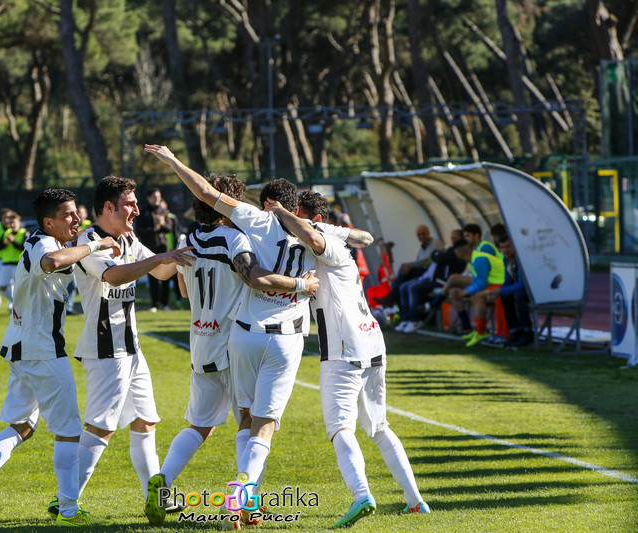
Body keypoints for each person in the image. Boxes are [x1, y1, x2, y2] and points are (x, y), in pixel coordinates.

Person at [144, 144, 368, 530]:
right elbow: (359, 239)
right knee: (258, 423)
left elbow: (204, 205)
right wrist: (303, 280)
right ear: (293, 206)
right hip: (272, 338)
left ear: (262, 203)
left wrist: (174, 162)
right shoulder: (294, 232)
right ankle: (243, 496)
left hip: (223, 337)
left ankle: (188, 488)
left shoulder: (208, 236)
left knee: (221, 422)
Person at [0, 188, 119, 528]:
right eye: (68, 215)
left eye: (76, 212)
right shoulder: (42, 243)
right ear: (48, 222)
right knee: (70, 431)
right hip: (43, 352)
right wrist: (96, 244)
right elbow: (52, 262)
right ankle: (70, 512)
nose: (76, 219)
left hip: (23, 348)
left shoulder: (55, 240)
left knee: (23, 426)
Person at [269, 191, 430, 527]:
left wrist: (280, 211)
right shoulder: (332, 233)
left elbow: (314, 236)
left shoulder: (321, 238)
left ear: (298, 211)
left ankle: (361, 496)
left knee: (340, 428)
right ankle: (415, 501)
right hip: (371, 340)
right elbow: (363, 236)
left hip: (344, 347)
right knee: (379, 426)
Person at [63, 176, 196, 520]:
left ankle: (156, 496)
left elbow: (162, 271)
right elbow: (115, 276)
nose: (137, 209)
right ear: (108, 207)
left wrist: (182, 256)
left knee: (145, 422)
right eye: (129, 203)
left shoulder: (129, 237)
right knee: (101, 426)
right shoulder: (89, 240)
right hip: (105, 347)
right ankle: (65, 500)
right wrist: (163, 257)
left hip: (131, 348)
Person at [443, 223, 505, 346]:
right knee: (470, 293)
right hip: (495, 283)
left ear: (459, 253)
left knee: (476, 294)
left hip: (501, 284)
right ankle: (476, 329)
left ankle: (481, 331)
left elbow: (481, 282)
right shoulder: (474, 259)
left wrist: (465, 291)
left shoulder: (480, 256)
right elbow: (479, 280)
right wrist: (466, 291)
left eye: (467, 236)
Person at [395, 239, 470, 333]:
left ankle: (415, 320)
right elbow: (435, 257)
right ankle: (406, 319)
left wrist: (437, 253)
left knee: (412, 288)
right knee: (403, 287)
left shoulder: (457, 257)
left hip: (441, 283)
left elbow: (436, 258)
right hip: (435, 280)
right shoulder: (451, 254)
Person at [374, 225, 441, 307]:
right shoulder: (422, 248)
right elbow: (419, 261)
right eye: (419, 235)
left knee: (403, 277)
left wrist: (411, 265)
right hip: (422, 271)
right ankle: (398, 308)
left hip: (430, 273)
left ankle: (390, 299)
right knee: (399, 284)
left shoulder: (436, 243)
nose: (421, 236)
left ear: (428, 233)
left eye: (423, 233)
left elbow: (428, 260)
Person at [485, 234, 534, 348]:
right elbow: (507, 281)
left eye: (508, 247)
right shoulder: (506, 261)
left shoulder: (521, 260)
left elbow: (523, 284)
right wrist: (497, 291)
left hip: (533, 292)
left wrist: (501, 290)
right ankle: (514, 332)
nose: (505, 250)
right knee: (505, 296)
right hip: (521, 291)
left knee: (518, 295)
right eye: (502, 248)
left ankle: (527, 332)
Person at [135, 188, 174, 311]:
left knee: (166, 275)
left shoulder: (164, 211)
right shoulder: (143, 212)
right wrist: (154, 228)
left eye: (159, 196)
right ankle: (154, 304)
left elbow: (169, 228)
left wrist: (162, 225)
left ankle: (165, 303)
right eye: (154, 196)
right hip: (150, 247)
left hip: (163, 247)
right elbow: (140, 231)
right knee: (153, 276)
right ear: (149, 198)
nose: (157, 199)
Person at [0, 211, 28, 312]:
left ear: (19, 222)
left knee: (20, 288)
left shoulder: (24, 233)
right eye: (10, 223)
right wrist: (5, 242)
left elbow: (23, 247)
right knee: (2, 286)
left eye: (14, 222)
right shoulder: (6, 233)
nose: (12, 225)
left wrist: (13, 241)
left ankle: (21, 306)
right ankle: (15, 302)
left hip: (18, 264)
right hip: (6, 264)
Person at [66, 206, 92, 314]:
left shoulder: (90, 225)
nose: (79, 215)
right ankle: (68, 307)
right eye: (77, 213)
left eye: (81, 213)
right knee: (72, 285)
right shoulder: (71, 226)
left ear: (86, 214)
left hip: (87, 259)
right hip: (73, 258)